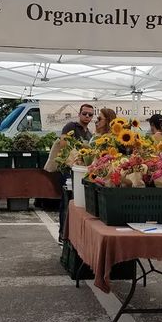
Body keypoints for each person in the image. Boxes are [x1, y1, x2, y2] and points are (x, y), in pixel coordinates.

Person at [58, 103, 94, 242]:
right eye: (84, 113)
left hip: (81, 171)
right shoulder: (71, 127)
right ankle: (63, 235)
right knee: (67, 202)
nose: (87, 116)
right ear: (79, 114)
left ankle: (73, 236)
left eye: (90, 114)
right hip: (69, 170)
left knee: (78, 205)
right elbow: (63, 145)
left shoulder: (89, 133)